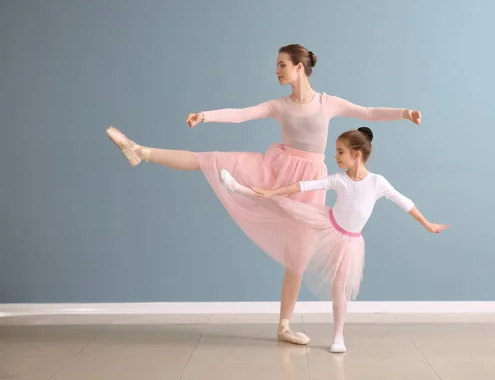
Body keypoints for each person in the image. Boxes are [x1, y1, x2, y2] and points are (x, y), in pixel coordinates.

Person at [105, 43, 422, 346]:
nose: (276, 70)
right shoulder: (280, 106)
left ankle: (285, 325)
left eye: (281, 65)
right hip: (275, 169)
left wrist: (404, 112)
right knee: (212, 160)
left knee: (297, 256)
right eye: (276, 65)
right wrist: (206, 115)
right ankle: (140, 151)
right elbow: (241, 114)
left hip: (309, 182)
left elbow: (367, 112)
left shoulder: (328, 103)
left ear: (299, 67)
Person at [219, 126, 450, 353]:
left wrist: (426, 223)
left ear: (356, 154)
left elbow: (404, 202)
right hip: (326, 222)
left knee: (338, 288)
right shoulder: (339, 179)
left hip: (349, 242)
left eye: (340, 151)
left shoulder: (377, 182)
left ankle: (338, 336)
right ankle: (239, 189)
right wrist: (272, 191)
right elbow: (305, 185)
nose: (335, 156)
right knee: (285, 206)